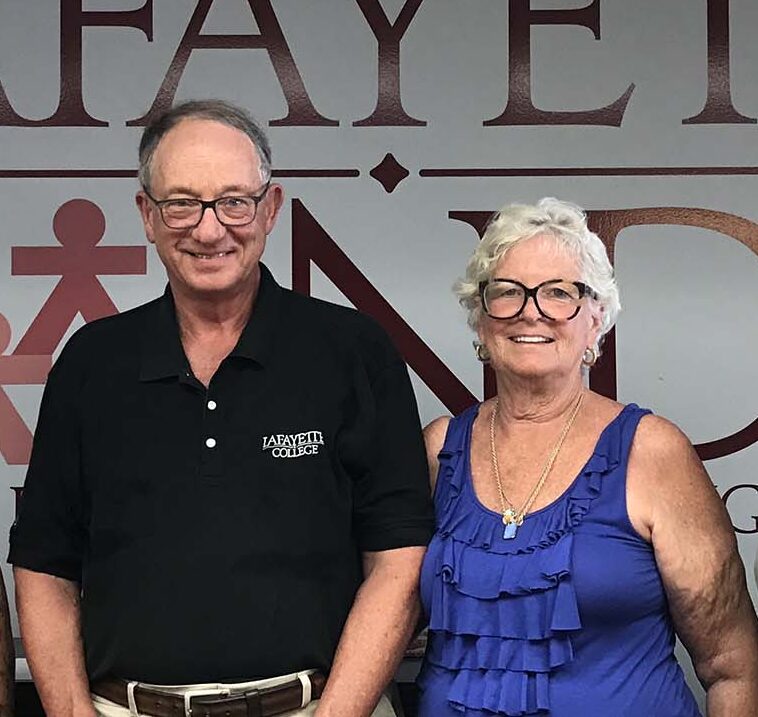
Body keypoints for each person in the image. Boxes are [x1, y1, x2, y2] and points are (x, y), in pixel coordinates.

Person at [9, 99, 433, 717]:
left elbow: (398, 560)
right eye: (181, 203)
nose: (209, 230)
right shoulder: (91, 363)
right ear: (146, 216)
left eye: (234, 201)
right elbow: (44, 562)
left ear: (271, 210)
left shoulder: (352, 351)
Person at [416, 198, 758, 716]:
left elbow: (732, 665)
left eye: (559, 293)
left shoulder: (651, 450)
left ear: (596, 318)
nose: (531, 310)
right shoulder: (440, 449)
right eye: (507, 292)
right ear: (481, 320)